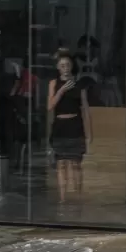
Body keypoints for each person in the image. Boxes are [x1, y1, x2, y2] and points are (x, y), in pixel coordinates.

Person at [47, 51, 92, 204]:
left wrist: (89, 133)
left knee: (75, 163)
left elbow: (85, 109)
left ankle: (79, 195)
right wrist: (61, 90)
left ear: (72, 67)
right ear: (58, 68)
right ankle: (62, 198)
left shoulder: (80, 86)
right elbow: (50, 106)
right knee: (61, 163)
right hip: (60, 126)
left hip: (75, 125)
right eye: (62, 65)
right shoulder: (54, 83)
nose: (65, 68)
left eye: (67, 65)